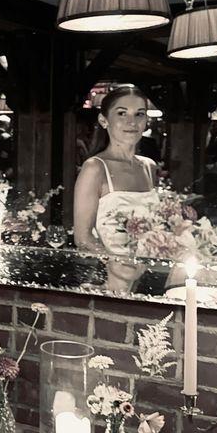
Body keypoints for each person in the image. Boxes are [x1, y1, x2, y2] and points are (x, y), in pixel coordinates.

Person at [72, 85, 159, 292]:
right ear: (104, 120)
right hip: (113, 280)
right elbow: (82, 238)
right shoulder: (95, 168)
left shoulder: (149, 167)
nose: (132, 122)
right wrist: (116, 261)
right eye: (122, 113)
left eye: (139, 114)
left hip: (146, 278)